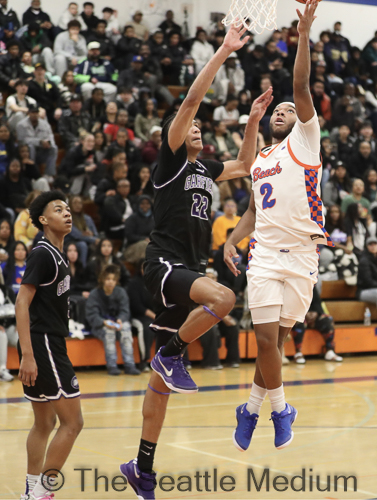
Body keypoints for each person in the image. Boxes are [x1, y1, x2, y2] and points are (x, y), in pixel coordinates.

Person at [119, 22, 273, 498]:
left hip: (187, 272)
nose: (199, 132)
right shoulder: (170, 162)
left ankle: (142, 466)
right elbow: (189, 104)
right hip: (164, 265)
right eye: (194, 128)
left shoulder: (206, 168)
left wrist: (250, 122)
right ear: (177, 133)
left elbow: (246, 165)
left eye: (204, 130)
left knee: (158, 389)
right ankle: (173, 353)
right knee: (226, 298)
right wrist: (225, 51)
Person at [223, 0, 332, 453]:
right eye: (279, 111)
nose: (284, 111)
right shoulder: (262, 159)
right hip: (265, 253)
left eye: (290, 109)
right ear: (271, 121)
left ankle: (250, 407)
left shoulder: (306, 141)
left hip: (304, 254)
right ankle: (281, 410)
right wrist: (233, 237)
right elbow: (253, 210)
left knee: (277, 344)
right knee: (265, 338)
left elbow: (301, 85)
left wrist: (303, 34)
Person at [15, 190, 84, 500]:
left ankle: (31, 491)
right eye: (59, 209)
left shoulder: (57, 252)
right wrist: (28, 355)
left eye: (68, 208)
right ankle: (43, 490)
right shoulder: (42, 253)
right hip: (43, 344)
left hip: (45, 342)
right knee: (73, 422)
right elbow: (21, 301)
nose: (67, 212)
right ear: (44, 220)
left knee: (44, 422)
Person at [86, 264, 140, 375]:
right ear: (102, 280)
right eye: (108, 279)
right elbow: (91, 315)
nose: (111, 282)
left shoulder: (121, 292)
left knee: (126, 329)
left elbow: (125, 311)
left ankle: (130, 365)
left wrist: (120, 320)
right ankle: (112, 366)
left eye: (113, 279)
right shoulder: (94, 294)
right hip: (101, 326)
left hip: (118, 324)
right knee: (109, 332)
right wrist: (104, 322)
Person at [291, 287, 343, 364]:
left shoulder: (310, 282)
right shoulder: (291, 284)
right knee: (299, 322)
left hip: (312, 313)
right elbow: (291, 303)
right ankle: (298, 352)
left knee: (327, 319)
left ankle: (329, 350)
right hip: (298, 314)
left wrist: (316, 312)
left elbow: (317, 301)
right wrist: (304, 313)